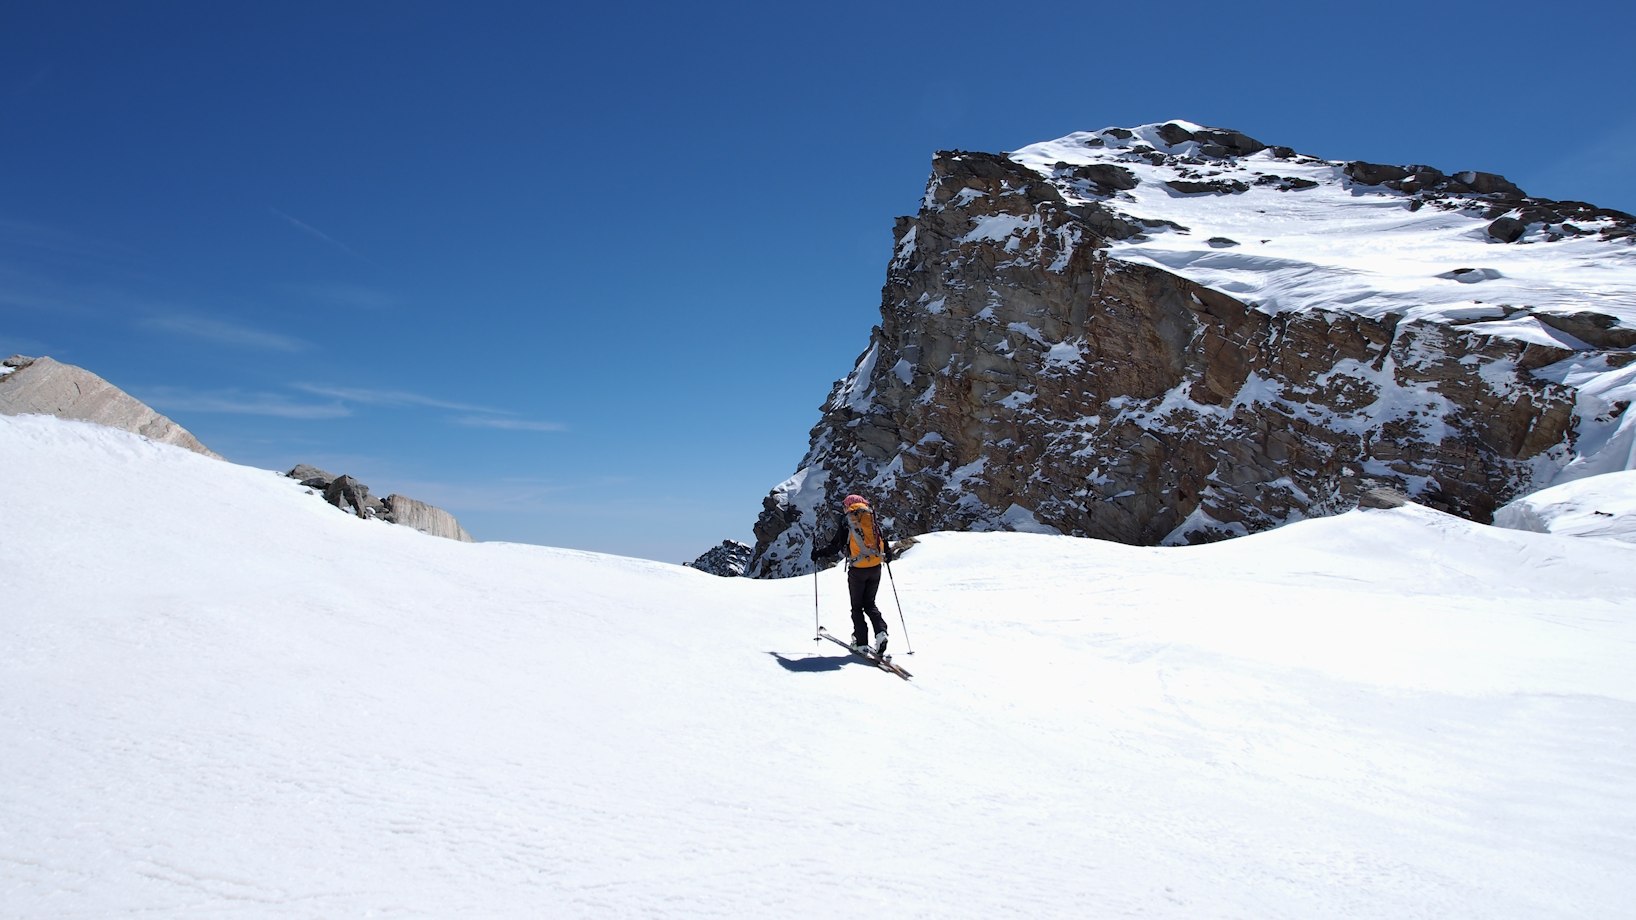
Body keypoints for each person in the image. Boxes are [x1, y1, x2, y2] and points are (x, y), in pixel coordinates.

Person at [811, 493, 895, 655]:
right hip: (876, 566)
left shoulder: (847, 520)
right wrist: (888, 555)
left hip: (858, 569)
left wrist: (818, 553)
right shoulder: (871, 516)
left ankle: (861, 642)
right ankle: (881, 632)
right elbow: (882, 540)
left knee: (857, 607)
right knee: (870, 604)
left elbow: (836, 547)